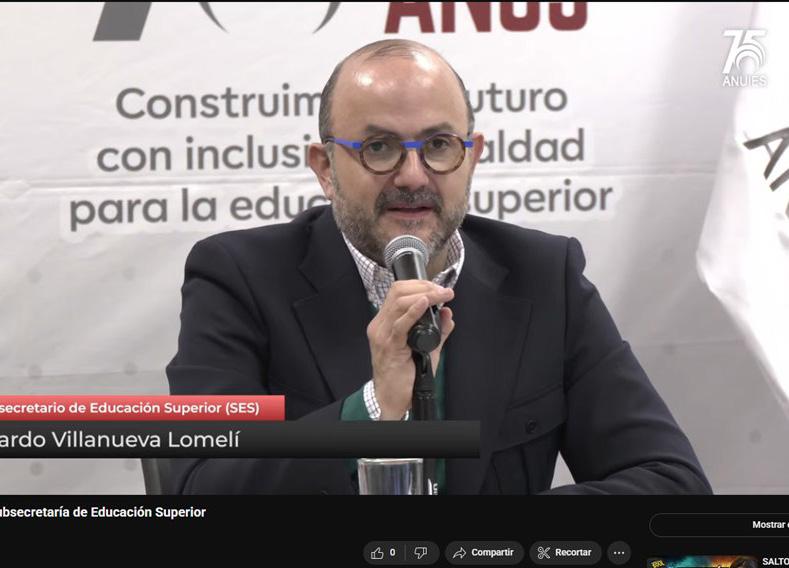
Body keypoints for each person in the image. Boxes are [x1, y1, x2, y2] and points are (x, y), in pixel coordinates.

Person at [165, 39, 712, 494]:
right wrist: (373, 409)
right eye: (379, 147)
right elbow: (201, 487)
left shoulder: (546, 276)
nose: (412, 175)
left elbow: (671, 482)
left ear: (471, 156)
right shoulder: (240, 278)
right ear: (325, 168)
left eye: (440, 145)